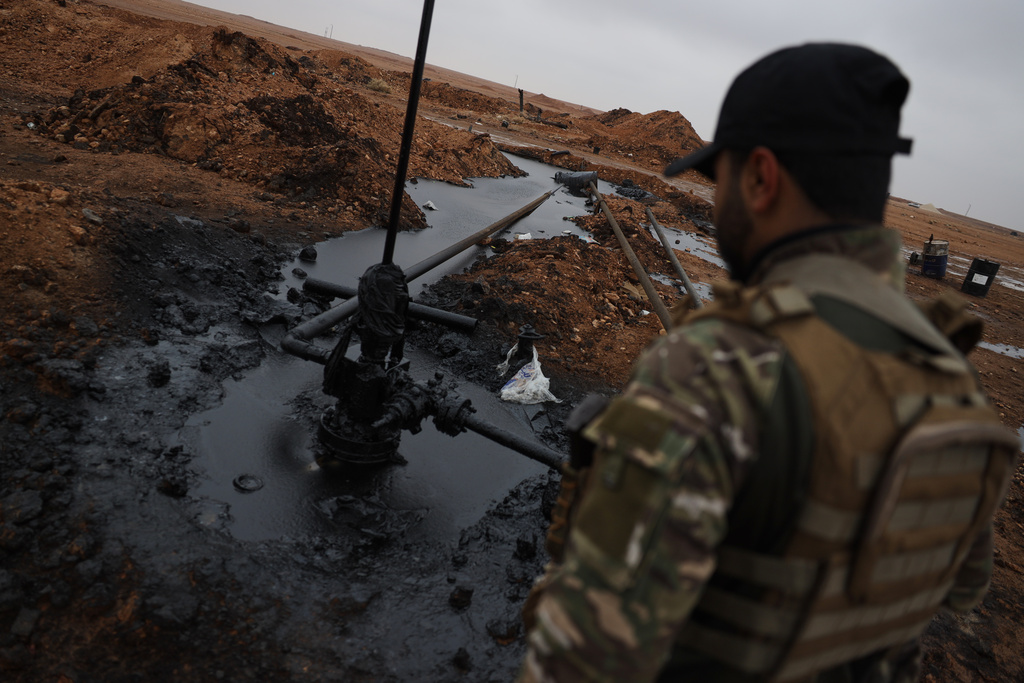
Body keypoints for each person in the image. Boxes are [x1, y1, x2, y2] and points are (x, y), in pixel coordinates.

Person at [517, 43, 1019, 683]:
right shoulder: (953, 379)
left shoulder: (721, 365)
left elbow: (581, 662)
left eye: (718, 177)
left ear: (759, 177)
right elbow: (961, 588)